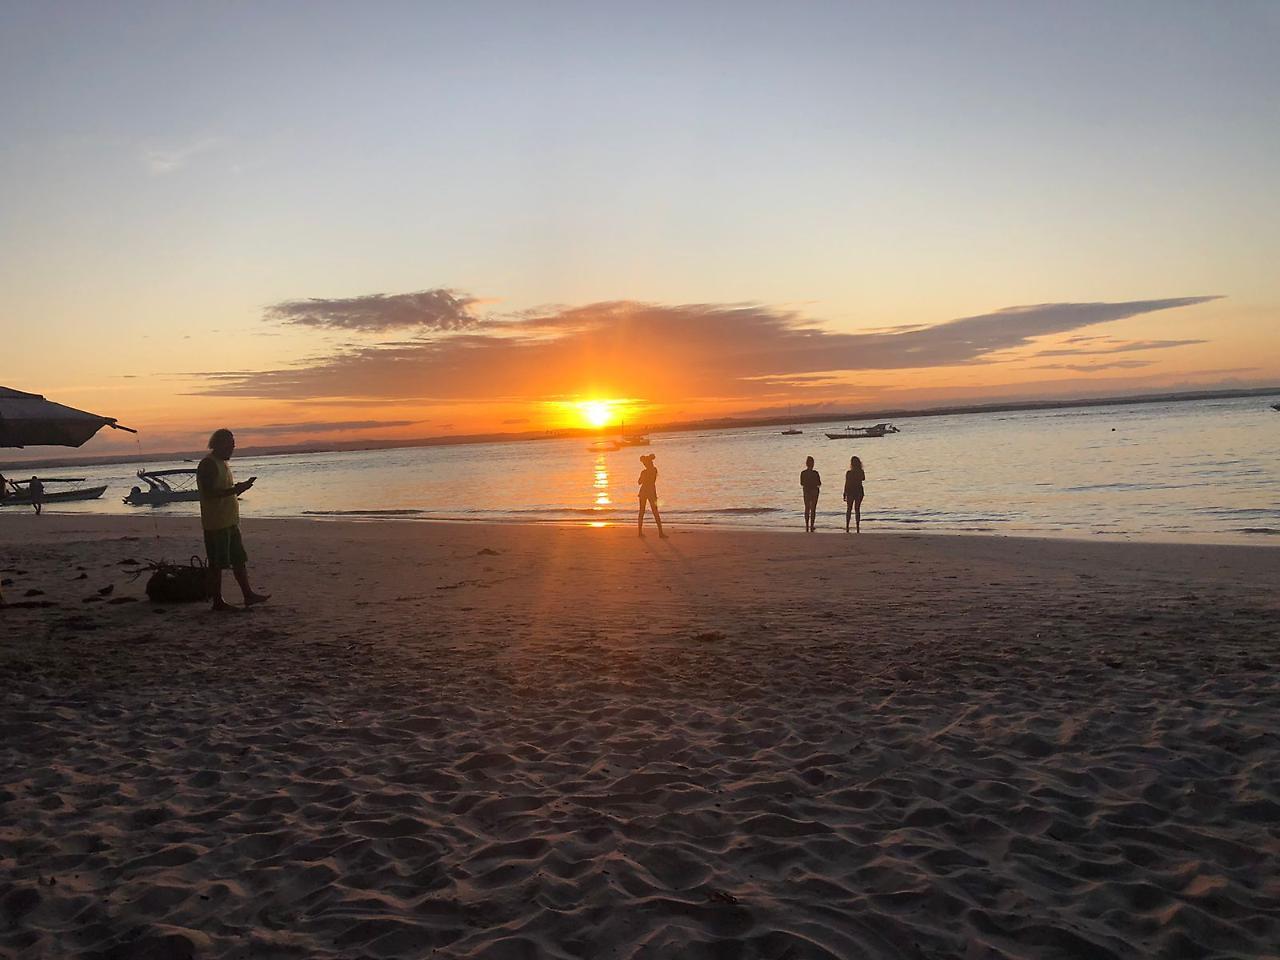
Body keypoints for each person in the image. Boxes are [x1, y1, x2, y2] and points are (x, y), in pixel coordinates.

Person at [197, 428, 269, 612]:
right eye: (229, 445)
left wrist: (238, 488)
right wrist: (236, 490)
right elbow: (210, 493)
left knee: (238, 559)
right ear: (219, 445)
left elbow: (224, 489)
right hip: (216, 524)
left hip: (230, 521)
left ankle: (248, 595)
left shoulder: (223, 463)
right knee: (217, 564)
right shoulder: (208, 464)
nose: (232, 449)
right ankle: (217, 602)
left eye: (233, 445)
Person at [637, 452, 667, 538]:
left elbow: (639, 482)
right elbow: (652, 480)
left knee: (641, 511)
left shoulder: (644, 472)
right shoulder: (654, 470)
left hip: (643, 492)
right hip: (651, 492)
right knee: (655, 511)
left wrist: (643, 478)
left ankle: (639, 532)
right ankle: (660, 533)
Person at [844, 455, 866, 533]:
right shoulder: (860, 472)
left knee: (849, 509)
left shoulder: (849, 473)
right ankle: (857, 526)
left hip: (850, 491)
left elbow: (846, 483)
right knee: (857, 509)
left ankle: (847, 526)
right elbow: (863, 478)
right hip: (859, 491)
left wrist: (844, 493)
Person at [800, 456, 821, 532]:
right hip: (814, 491)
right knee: (813, 509)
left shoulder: (803, 473)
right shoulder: (815, 473)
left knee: (807, 508)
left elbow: (801, 483)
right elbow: (819, 483)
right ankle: (811, 525)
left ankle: (806, 525)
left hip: (806, 491)